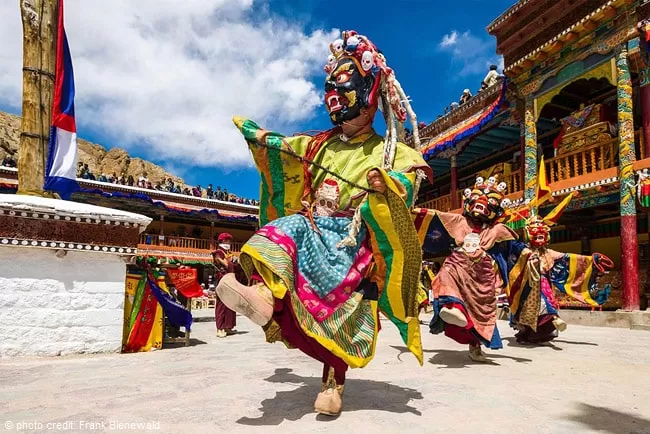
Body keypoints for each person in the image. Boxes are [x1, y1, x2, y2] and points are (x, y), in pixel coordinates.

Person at [216, 30, 431, 416]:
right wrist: (259, 135)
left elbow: (409, 179)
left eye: (345, 87)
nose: (334, 96)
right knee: (289, 228)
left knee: (343, 319)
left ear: (371, 95)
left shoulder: (393, 151)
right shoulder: (318, 144)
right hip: (314, 227)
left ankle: (333, 381)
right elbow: (285, 147)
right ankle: (264, 296)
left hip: (354, 242)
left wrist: (388, 185)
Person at [506, 164, 613, 344]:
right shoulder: (522, 249)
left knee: (545, 302)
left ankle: (550, 321)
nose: (539, 236)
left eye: (542, 233)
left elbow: (569, 258)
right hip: (525, 285)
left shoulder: (549, 252)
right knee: (526, 308)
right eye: (536, 233)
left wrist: (592, 260)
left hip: (544, 283)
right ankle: (529, 331)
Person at [420, 176, 516, 362]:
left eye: (490, 201)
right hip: (458, 262)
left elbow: (514, 249)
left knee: (481, 310)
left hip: (481, 274)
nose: (482, 203)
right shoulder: (458, 221)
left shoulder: (497, 230)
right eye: (478, 198)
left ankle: (476, 346)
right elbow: (431, 218)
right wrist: (405, 211)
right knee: (445, 273)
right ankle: (452, 307)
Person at [213, 233, 237, 338]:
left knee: (230, 303)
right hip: (222, 280)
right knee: (222, 304)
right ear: (222, 241)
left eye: (229, 241)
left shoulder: (228, 253)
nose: (229, 243)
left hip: (230, 279)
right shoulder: (218, 253)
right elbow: (226, 265)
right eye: (227, 241)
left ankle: (228, 326)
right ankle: (220, 328)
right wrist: (232, 261)